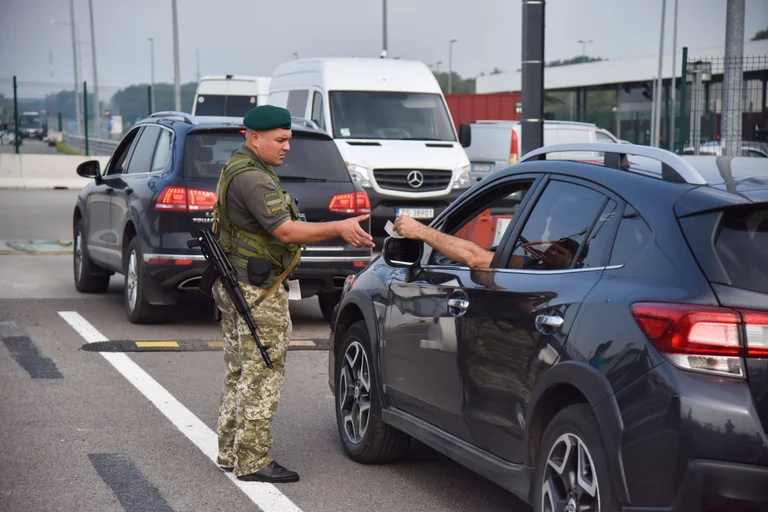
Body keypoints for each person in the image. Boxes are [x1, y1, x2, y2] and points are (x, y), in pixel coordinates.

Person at [211, 105, 374, 483]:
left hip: (237, 283)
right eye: (280, 140)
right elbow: (285, 232)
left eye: (288, 139)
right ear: (254, 138)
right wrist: (340, 228)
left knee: (240, 370)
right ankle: (252, 460)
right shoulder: (254, 179)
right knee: (263, 371)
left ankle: (230, 450)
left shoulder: (238, 167)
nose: (287, 147)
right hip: (256, 290)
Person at [392, 214, 585, 270]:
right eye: (552, 248)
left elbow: (475, 258)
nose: (551, 253)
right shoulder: (531, 264)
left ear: (577, 262)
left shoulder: (570, 277)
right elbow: (497, 260)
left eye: (560, 253)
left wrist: (420, 231)